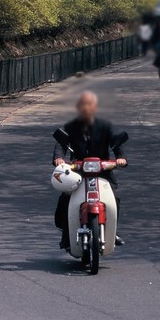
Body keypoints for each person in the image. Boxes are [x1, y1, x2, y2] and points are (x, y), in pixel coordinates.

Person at [52, 90, 127, 250]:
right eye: (83, 105)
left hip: (103, 171)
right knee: (66, 198)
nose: (86, 108)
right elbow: (61, 144)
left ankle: (112, 232)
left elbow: (116, 143)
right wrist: (59, 158)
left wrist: (121, 158)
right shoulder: (71, 127)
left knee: (115, 198)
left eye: (90, 104)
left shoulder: (105, 127)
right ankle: (66, 235)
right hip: (78, 171)